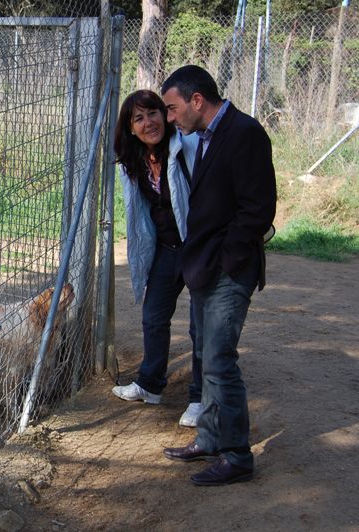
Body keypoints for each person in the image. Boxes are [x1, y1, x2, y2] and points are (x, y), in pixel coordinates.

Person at [160, 65, 276, 486]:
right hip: (208, 267)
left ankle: (237, 455)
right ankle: (209, 439)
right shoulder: (206, 137)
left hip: (229, 269)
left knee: (220, 361)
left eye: (172, 109)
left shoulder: (244, 133)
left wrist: (228, 260)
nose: (170, 118)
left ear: (196, 100)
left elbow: (258, 209)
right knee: (206, 356)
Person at [111, 89, 203, 428]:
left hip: (197, 247)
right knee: (153, 316)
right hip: (167, 248)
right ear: (131, 128)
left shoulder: (186, 148)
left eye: (153, 113)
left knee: (200, 325)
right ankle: (150, 386)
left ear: (165, 114)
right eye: (139, 118)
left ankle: (200, 398)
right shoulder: (133, 162)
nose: (148, 122)